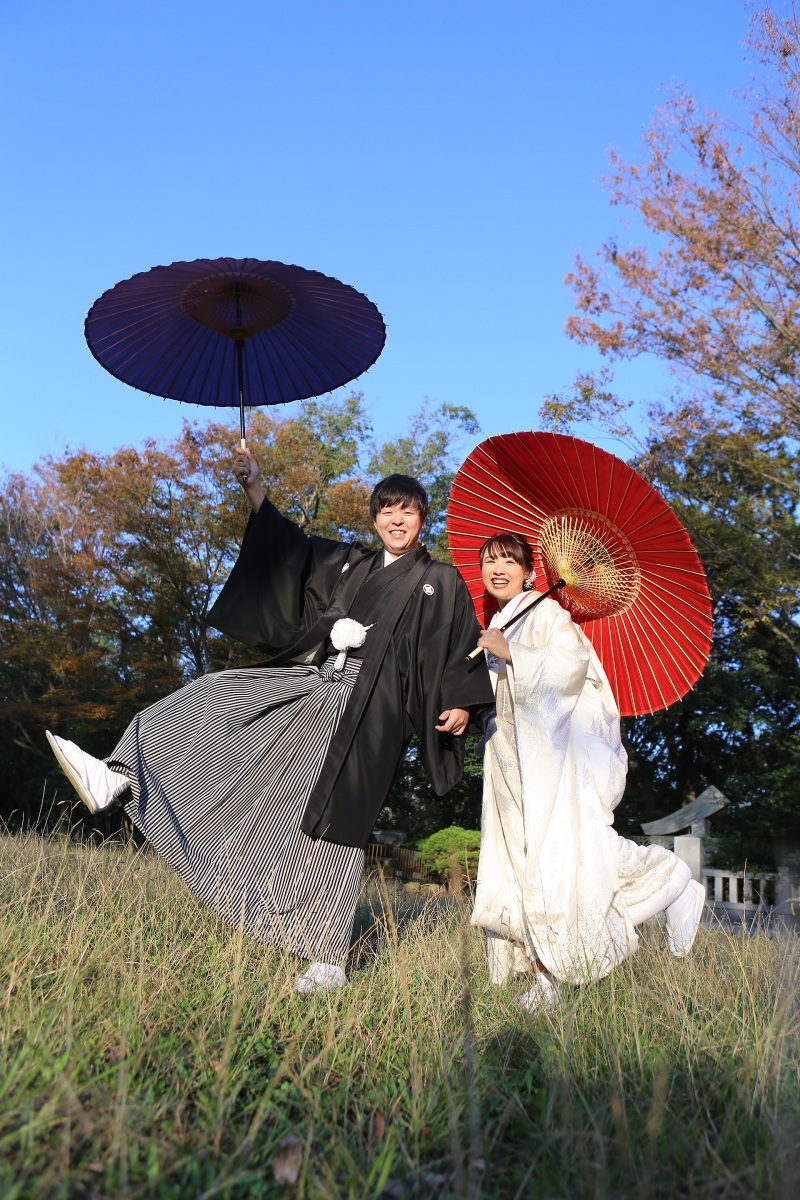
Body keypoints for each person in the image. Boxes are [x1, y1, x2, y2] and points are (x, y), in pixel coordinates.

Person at [47, 448, 493, 993]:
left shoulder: (441, 581)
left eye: (407, 511)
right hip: (318, 684)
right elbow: (292, 555)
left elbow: (458, 651)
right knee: (220, 695)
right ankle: (120, 773)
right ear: (374, 517)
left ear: (424, 519)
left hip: (374, 711)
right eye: (386, 511)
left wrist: (463, 702)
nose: (395, 520)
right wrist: (255, 489)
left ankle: (328, 959)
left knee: (334, 824)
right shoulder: (353, 563)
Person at [470, 531, 705, 1013]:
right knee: (522, 861)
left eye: (508, 562)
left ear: (528, 571)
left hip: (554, 761)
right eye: (489, 561)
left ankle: (667, 879)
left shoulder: (549, 613)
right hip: (513, 762)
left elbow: (571, 669)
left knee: (564, 857)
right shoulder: (500, 619)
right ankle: (544, 970)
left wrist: (513, 653)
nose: (498, 569)